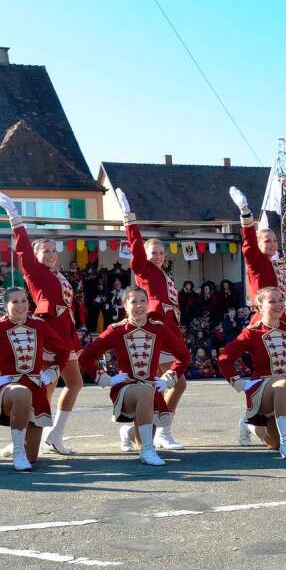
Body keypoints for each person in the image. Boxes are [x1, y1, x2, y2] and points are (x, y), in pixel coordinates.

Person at [0, 190, 84, 456]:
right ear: (36, 255)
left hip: (66, 333)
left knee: (75, 383)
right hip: (47, 331)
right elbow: (22, 246)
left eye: (53, 251)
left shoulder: (58, 274)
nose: (51, 255)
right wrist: (14, 216)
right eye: (45, 251)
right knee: (44, 388)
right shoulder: (34, 271)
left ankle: (55, 434)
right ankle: (21, 436)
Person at [78, 286, 190, 466]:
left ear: (148, 303)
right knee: (145, 393)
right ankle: (147, 450)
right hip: (126, 389)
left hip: (151, 391)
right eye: (133, 302)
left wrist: (167, 379)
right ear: (125, 306)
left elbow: (184, 356)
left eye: (143, 301)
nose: (139, 305)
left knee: (147, 399)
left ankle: (128, 434)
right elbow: (85, 357)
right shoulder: (116, 330)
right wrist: (107, 379)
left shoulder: (159, 329)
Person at [0, 287, 70, 471]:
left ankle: (18, 445)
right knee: (21, 392)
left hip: (36, 388)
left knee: (33, 458)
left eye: (24, 301)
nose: (20, 305)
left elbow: (63, 350)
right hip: (9, 387)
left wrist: (53, 372)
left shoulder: (39, 325)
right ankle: (18, 450)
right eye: (14, 302)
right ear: (6, 305)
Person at [116, 188, 186, 451]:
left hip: (169, 332)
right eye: (152, 252)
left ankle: (150, 430)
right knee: (161, 384)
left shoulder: (164, 276)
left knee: (174, 383)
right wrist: (129, 219)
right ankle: (157, 431)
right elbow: (135, 246)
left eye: (159, 252)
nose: (156, 256)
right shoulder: (144, 271)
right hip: (153, 333)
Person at [217, 287, 286, 460]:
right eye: (272, 301)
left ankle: (249, 425)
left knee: (273, 442)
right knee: (284, 383)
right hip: (262, 389)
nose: (279, 305)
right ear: (259, 306)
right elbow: (224, 358)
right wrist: (239, 383)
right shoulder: (251, 332)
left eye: (281, 300)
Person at [229, 185, 284, 446]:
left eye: (274, 240)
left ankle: (264, 416)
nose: (272, 244)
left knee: (278, 369)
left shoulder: (273, 264)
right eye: (267, 241)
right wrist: (245, 212)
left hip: (278, 320)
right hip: (260, 321)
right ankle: (250, 421)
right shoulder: (255, 259)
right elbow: (249, 243)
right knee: (263, 370)